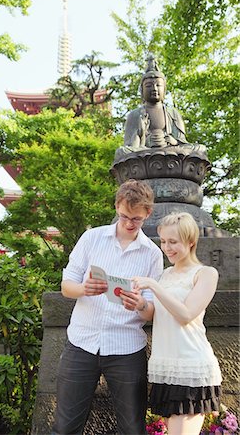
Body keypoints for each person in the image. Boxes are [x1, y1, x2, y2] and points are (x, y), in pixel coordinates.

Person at [52, 179, 164, 435]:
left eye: (135, 218)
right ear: (116, 206)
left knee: (133, 428)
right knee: (65, 426)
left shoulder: (153, 254)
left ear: (147, 213)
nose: (128, 223)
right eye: (123, 215)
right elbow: (66, 286)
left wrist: (141, 304)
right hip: (82, 343)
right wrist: (83, 289)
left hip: (127, 347)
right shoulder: (92, 238)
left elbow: (151, 311)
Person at [121, 212, 222, 435]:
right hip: (166, 368)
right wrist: (139, 304)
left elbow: (186, 315)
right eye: (164, 242)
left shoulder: (205, 273)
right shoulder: (165, 274)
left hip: (191, 367)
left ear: (191, 241)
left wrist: (154, 286)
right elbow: (154, 314)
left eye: (173, 242)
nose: (167, 248)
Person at [123, 54, 188, 151]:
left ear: (164, 90)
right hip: (144, 153)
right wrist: (142, 135)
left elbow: (182, 141)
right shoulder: (134, 115)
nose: (154, 88)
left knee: (199, 149)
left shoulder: (173, 114)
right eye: (149, 86)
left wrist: (173, 141)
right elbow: (130, 146)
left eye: (158, 85)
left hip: (170, 151)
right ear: (142, 90)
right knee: (122, 152)